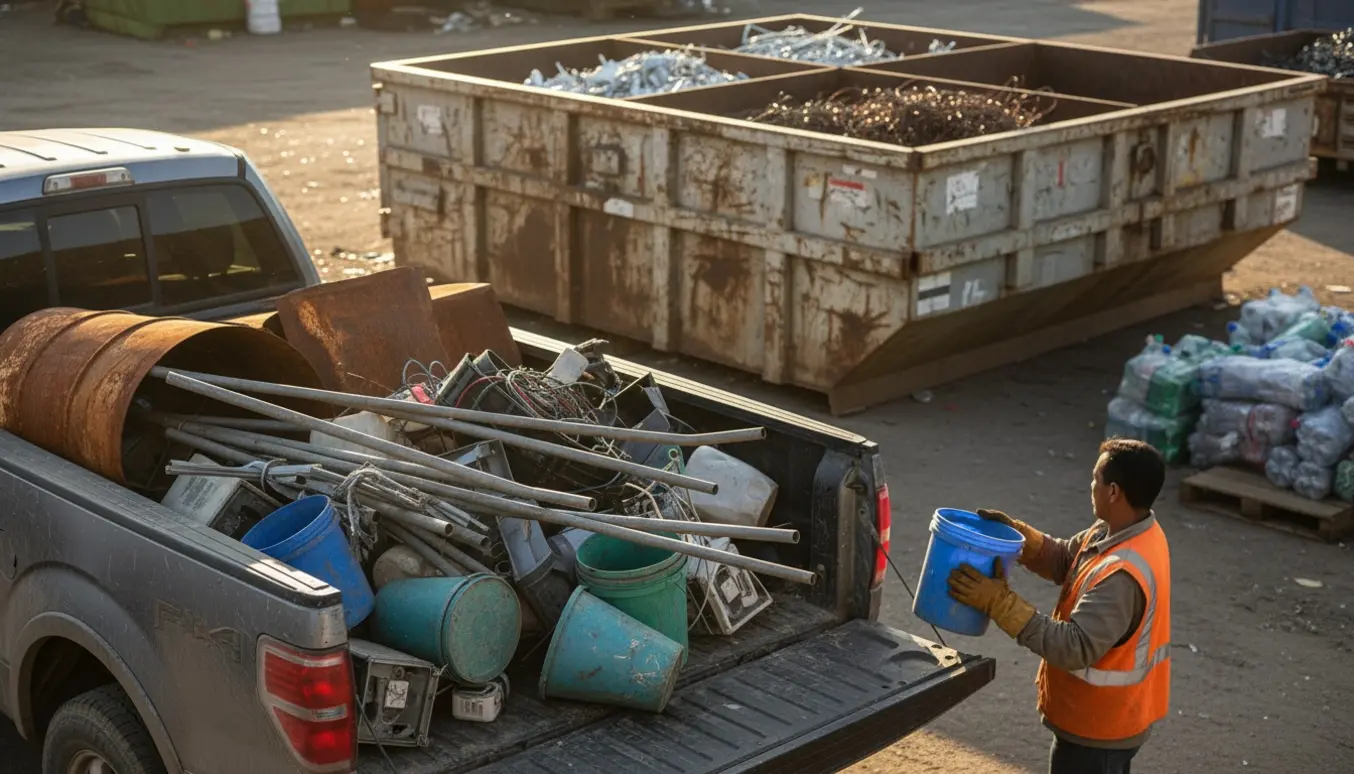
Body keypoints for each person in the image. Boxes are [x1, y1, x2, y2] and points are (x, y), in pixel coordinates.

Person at [947, 438, 1171, 774]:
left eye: (1095, 478)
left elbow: (1073, 647)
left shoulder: (1122, 576)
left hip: (1098, 730)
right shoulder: (1123, 531)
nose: (1090, 485)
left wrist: (998, 602)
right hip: (1101, 722)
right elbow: (1068, 558)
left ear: (1113, 492)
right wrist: (1018, 539)